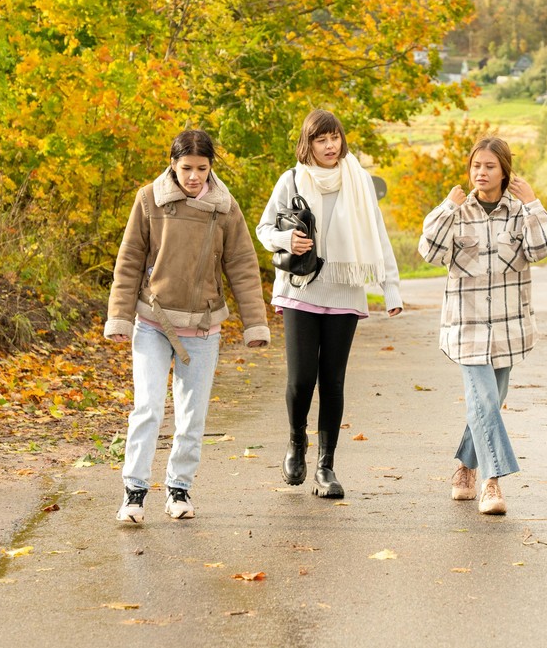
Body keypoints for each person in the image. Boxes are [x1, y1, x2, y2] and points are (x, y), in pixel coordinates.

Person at [105, 129, 270, 524]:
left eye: (202, 168)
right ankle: (135, 492)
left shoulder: (224, 207)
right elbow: (129, 261)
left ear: (211, 167)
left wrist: (256, 325)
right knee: (147, 408)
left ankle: (179, 488)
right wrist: (120, 317)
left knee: (191, 415)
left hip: (202, 326)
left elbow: (243, 267)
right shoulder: (149, 200)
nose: (194, 176)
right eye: (186, 168)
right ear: (173, 165)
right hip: (153, 321)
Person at [257, 109, 402, 499]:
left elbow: (377, 234)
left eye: (334, 137)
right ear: (309, 143)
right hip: (301, 288)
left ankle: (326, 467)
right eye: (321, 139)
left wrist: (391, 290)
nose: (330, 146)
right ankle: (295, 444)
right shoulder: (291, 180)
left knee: (333, 381)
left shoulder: (359, 181)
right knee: (302, 378)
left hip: (346, 287)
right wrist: (287, 241)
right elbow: (264, 227)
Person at [418, 136, 547, 515]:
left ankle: (464, 468)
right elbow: (428, 251)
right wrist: (448, 206)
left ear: (504, 170)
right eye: (476, 165)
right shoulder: (458, 210)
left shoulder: (520, 211)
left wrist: (533, 204)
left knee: (489, 403)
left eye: (490, 166)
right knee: (485, 401)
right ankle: (492, 484)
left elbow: (542, 249)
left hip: (508, 329)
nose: (481, 172)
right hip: (467, 326)